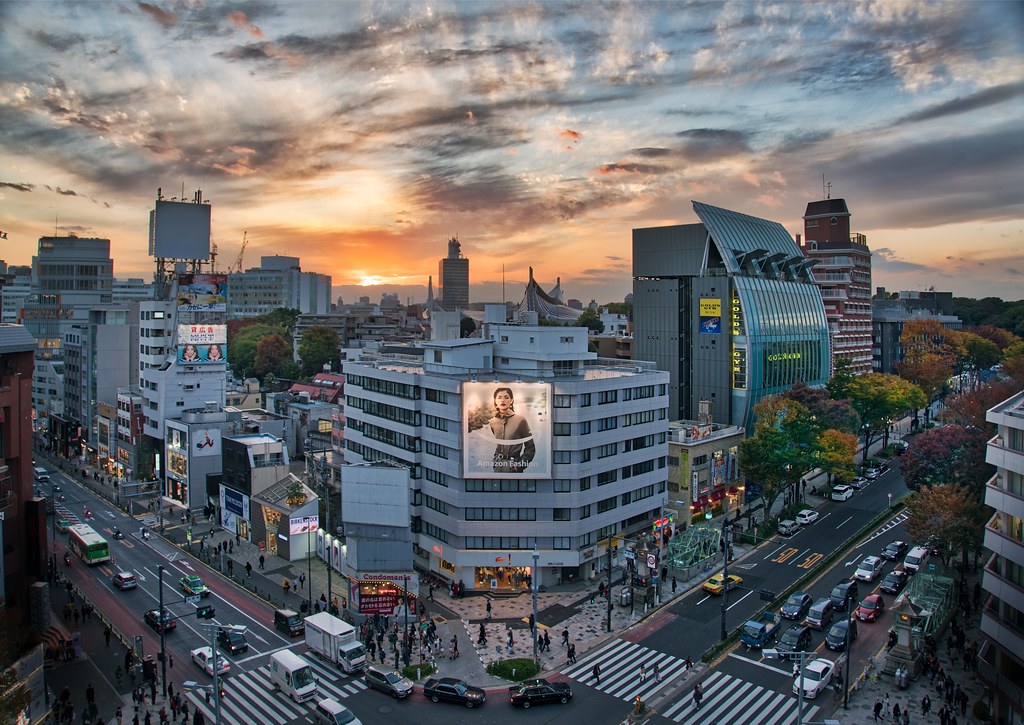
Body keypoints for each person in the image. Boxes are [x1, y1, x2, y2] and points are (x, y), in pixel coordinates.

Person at [488, 387, 536, 473]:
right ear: (495, 401)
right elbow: (499, 445)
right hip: (498, 466)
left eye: (506, 397)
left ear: (511, 400)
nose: (503, 400)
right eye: (499, 397)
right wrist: (495, 461)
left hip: (513, 467)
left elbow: (530, 448)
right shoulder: (492, 422)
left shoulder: (521, 420)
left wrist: (520, 466)